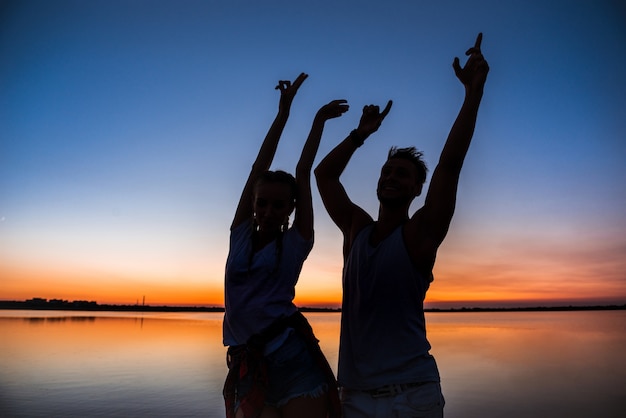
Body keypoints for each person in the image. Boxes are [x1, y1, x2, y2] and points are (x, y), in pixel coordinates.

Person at [314, 34, 489, 417]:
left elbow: (450, 164)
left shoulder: (419, 236)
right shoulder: (356, 230)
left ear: (417, 189)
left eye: (403, 174)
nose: (392, 177)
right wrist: (360, 135)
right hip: (355, 397)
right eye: (387, 171)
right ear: (378, 183)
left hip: (413, 396)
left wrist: (472, 95)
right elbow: (324, 176)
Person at [222, 72, 348, 418]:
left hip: (292, 359)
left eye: (279, 205)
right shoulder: (241, 233)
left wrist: (319, 121)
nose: (268, 211)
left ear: (291, 208)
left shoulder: (296, 242)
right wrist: (283, 114)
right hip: (248, 362)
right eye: (262, 203)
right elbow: (258, 165)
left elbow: (303, 169)